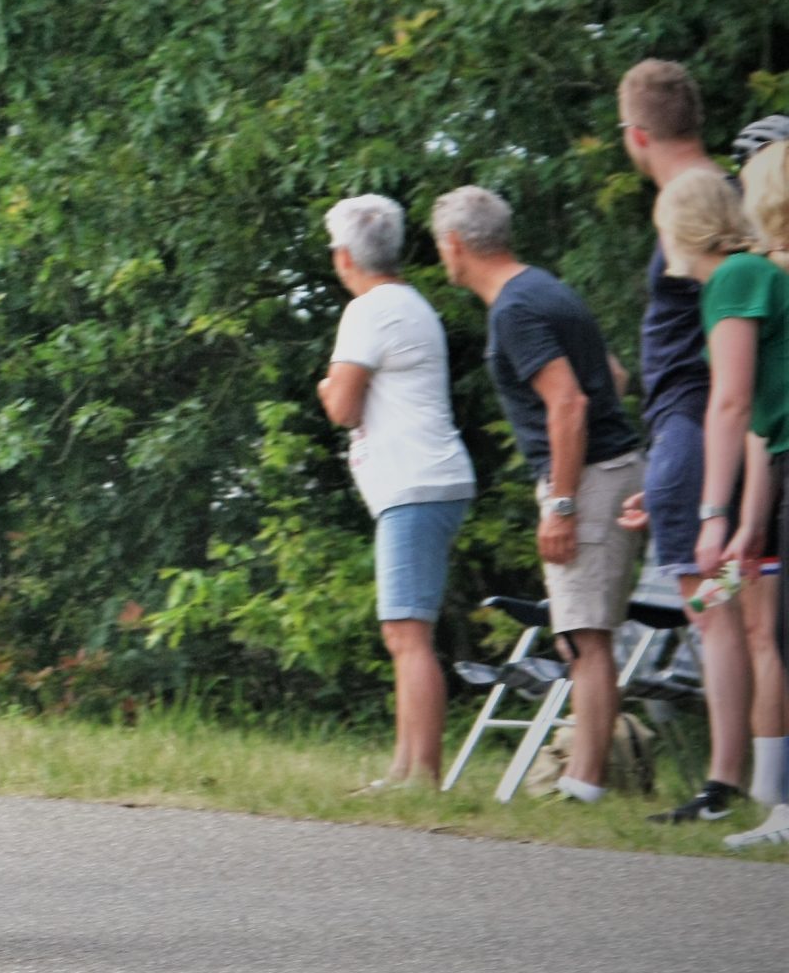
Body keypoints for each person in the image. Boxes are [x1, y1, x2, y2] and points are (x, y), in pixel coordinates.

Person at [433, 185, 643, 803]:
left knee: (587, 638)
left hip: (589, 477)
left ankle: (584, 784)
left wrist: (563, 503)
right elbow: (614, 376)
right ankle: (584, 774)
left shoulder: (515, 310)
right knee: (578, 635)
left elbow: (569, 403)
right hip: (608, 469)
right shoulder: (547, 288)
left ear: (455, 244)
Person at [616, 60, 760, 823]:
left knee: (715, 611)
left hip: (697, 425)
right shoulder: (730, 191)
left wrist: (694, 477)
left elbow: (724, 348)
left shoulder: (690, 205)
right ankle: (747, 778)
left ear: (636, 134)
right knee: (746, 614)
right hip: (709, 436)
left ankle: (725, 780)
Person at [317, 195, 476, 787]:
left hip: (416, 484)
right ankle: (405, 770)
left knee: (408, 635)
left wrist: (327, 386)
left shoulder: (368, 310)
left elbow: (342, 406)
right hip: (426, 482)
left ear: (344, 256)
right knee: (404, 633)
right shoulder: (409, 302)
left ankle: (420, 776)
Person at [717, 120, 789, 849]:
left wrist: (730, 514)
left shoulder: (755, 279)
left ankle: (780, 803)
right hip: (772, 472)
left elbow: (744, 408)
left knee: (774, 635)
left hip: (774, 467)